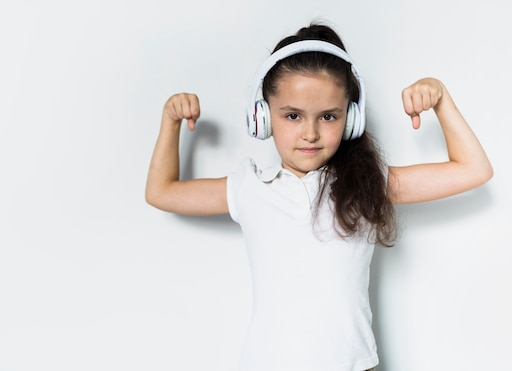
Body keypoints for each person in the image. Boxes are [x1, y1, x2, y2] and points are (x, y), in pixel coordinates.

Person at [146, 23, 492, 371]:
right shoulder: (250, 188)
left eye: (328, 116)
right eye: (292, 115)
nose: (310, 133)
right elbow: (161, 192)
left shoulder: (365, 184)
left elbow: (473, 170)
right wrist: (170, 121)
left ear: (351, 119)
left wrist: (442, 100)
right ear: (262, 117)